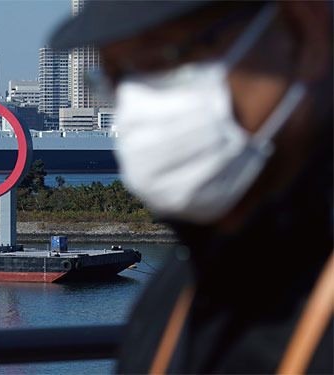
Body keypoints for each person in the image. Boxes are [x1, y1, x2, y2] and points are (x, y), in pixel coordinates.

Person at [49, 1, 332, 373]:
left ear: (303, 34)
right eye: (117, 75)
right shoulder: (175, 295)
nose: (143, 102)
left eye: (168, 55)